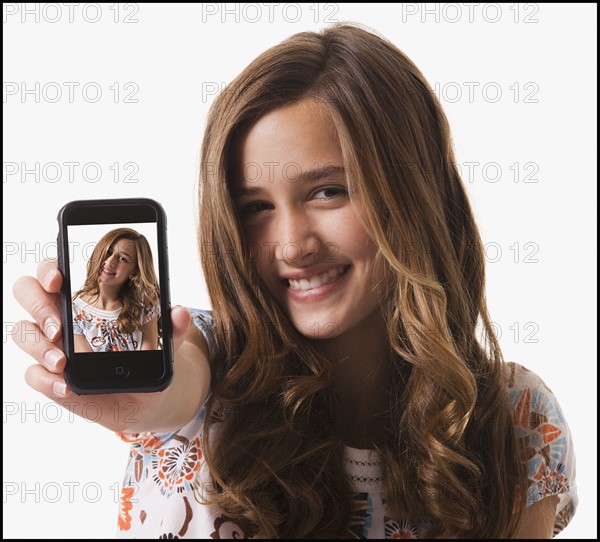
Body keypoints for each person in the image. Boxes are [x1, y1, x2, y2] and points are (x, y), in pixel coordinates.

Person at [12, 22, 576, 539]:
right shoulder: (203, 366)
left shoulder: (517, 416)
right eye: (255, 206)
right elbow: (178, 383)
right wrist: (147, 401)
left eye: (328, 191)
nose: (292, 245)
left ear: (416, 193)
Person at [71, 227, 161, 352]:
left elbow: (148, 361)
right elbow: (88, 367)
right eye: (108, 252)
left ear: (134, 272)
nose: (110, 262)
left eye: (122, 259)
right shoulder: (74, 310)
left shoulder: (145, 304)